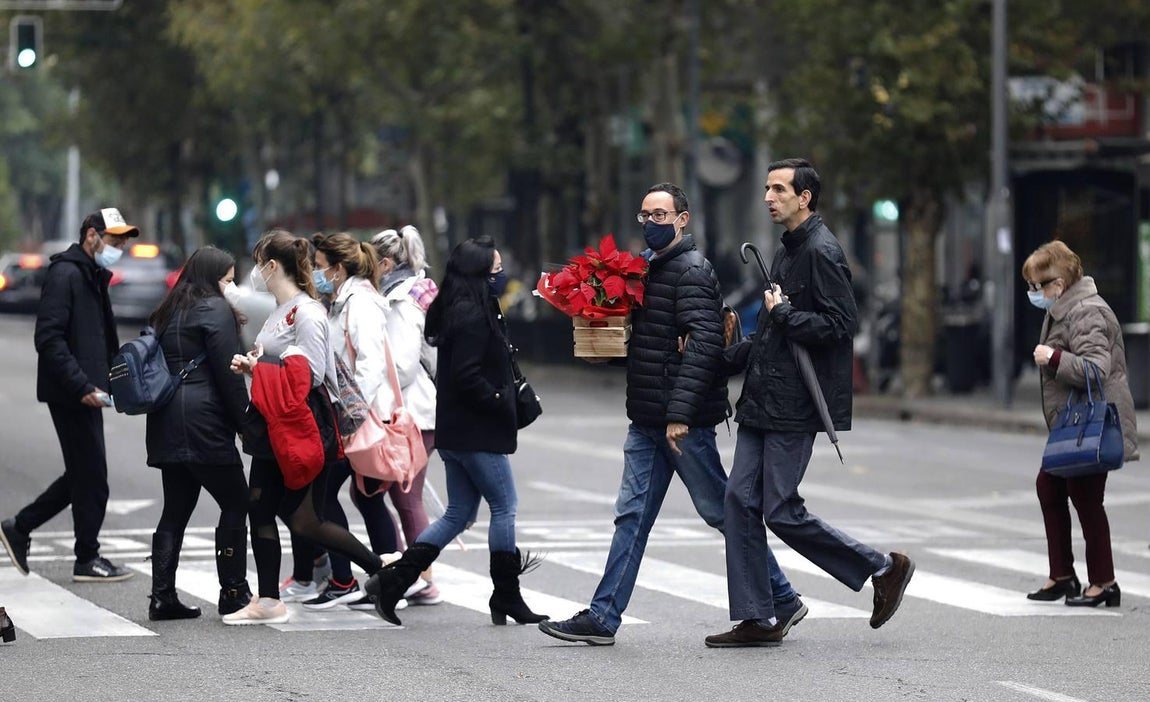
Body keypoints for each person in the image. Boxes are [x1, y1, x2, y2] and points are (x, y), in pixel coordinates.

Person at [539, 183, 804, 647]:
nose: (652, 224)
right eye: (645, 215)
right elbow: (655, 346)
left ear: (683, 219)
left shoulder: (693, 271)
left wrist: (680, 415)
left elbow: (703, 346)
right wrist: (610, 351)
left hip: (683, 424)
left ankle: (781, 597)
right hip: (647, 418)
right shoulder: (646, 269)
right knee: (632, 516)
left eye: (661, 216)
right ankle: (603, 618)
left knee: (723, 513)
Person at [705, 159, 914, 648]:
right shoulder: (787, 248)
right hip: (763, 396)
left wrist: (789, 314)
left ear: (805, 198)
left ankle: (884, 567)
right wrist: (720, 360)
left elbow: (842, 327)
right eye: (766, 188)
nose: (768, 197)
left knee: (780, 508)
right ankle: (758, 616)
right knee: (738, 502)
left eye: (778, 189)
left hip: (795, 401)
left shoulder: (822, 251)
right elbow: (771, 333)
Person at [365, 236, 547, 627]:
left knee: (457, 512)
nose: (499, 276)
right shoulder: (470, 315)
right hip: (475, 431)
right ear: (478, 273)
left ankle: (394, 581)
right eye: (494, 270)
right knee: (504, 506)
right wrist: (501, 399)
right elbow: (466, 376)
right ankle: (507, 594)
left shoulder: (459, 307)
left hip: (456, 432)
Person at [223, 229, 384, 625]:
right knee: (265, 509)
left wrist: (258, 366)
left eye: (259, 263)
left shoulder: (307, 312)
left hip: (301, 423)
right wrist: (256, 365)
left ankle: (380, 569)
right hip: (275, 420)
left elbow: (309, 375)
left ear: (272, 266)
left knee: (302, 519)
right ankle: (269, 598)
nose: (256, 271)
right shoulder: (282, 311)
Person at [1, 208, 139, 583]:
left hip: (87, 390)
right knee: (92, 476)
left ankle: (20, 528)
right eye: (115, 240)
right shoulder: (66, 274)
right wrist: (82, 386)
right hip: (72, 392)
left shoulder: (90, 274)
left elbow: (98, 338)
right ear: (91, 235)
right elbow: (48, 338)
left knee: (83, 474)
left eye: (123, 241)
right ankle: (85, 557)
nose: (120, 247)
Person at [1022, 240, 1137, 607]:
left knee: (1086, 498)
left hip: (1092, 425)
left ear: (1058, 284)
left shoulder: (1086, 312)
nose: (1033, 293)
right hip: (1074, 425)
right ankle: (1063, 577)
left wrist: (1054, 357)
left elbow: (1095, 369)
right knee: (1051, 487)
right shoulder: (1063, 308)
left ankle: (1104, 582)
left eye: (1037, 286)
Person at [292, 232, 401, 610]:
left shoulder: (362, 304)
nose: (317, 274)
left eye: (321, 267)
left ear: (338, 268)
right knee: (367, 499)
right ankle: (390, 583)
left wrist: (351, 417)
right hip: (354, 418)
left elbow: (369, 365)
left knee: (323, 500)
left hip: (357, 421)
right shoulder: (344, 300)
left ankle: (345, 579)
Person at [144, 246, 253, 620]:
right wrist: (246, 426)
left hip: (166, 419)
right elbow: (229, 373)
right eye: (228, 279)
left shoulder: (168, 310)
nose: (232, 285)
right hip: (203, 423)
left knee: (175, 508)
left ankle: (162, 597)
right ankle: (234, 592)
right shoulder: (215, 310)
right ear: (212, 278)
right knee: (237, 502)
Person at [372, 225, 441, 606]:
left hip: (413, 412)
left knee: (406, 497)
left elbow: (402, 365)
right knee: (403, 497)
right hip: (415, 411)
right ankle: (412, 573)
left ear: (385, 262)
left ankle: (420, 577)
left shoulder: (401, 301)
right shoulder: (414, 290)